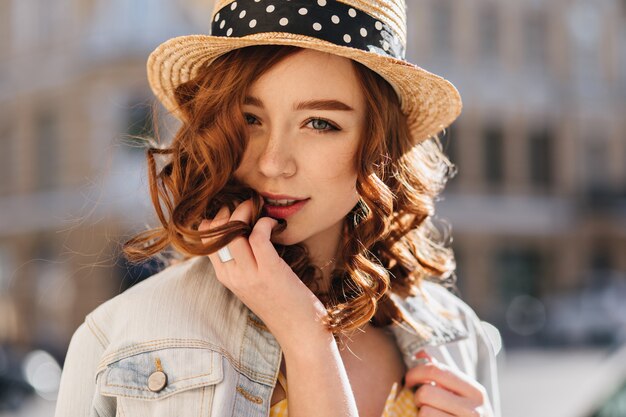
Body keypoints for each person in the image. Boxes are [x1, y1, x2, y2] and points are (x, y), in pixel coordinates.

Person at [55, 1, 501, 416]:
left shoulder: (460, 336)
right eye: (249, 119)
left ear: (379, 142)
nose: (273, 162)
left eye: (320, 123)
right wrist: (306, 335)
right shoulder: (121, 339)